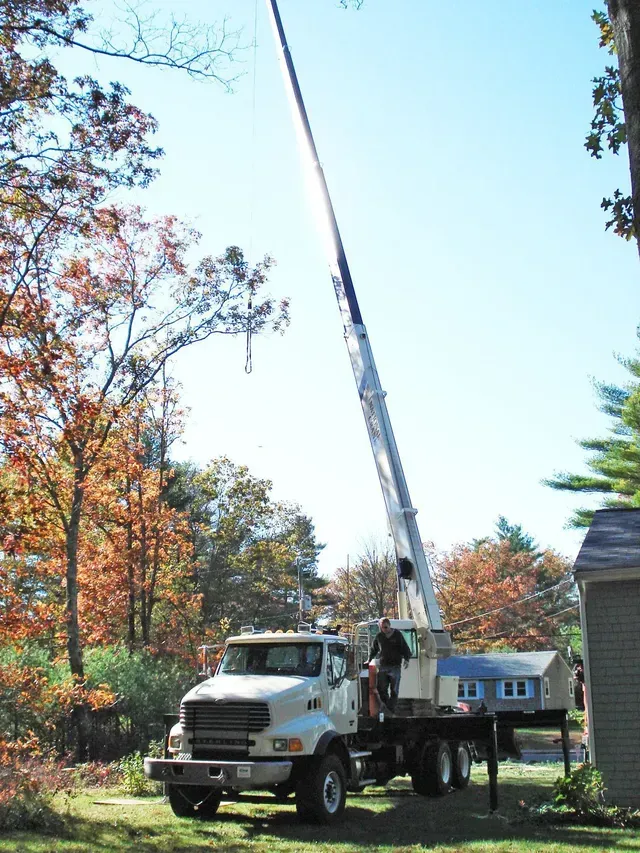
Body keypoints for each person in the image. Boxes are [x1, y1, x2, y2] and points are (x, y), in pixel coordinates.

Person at [368, 617, 411, 712]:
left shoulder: (397, 635)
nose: (384, 629)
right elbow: (374, 649)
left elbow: (404, 647)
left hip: (395, 666)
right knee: (381, 688)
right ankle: (388, 707)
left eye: (386, 627)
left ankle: (392, 708)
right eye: (382, 627)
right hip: (383, 666)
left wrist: (407, 659)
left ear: (389, 626)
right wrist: (369, 659)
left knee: (394, 690)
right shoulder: (379, 636)